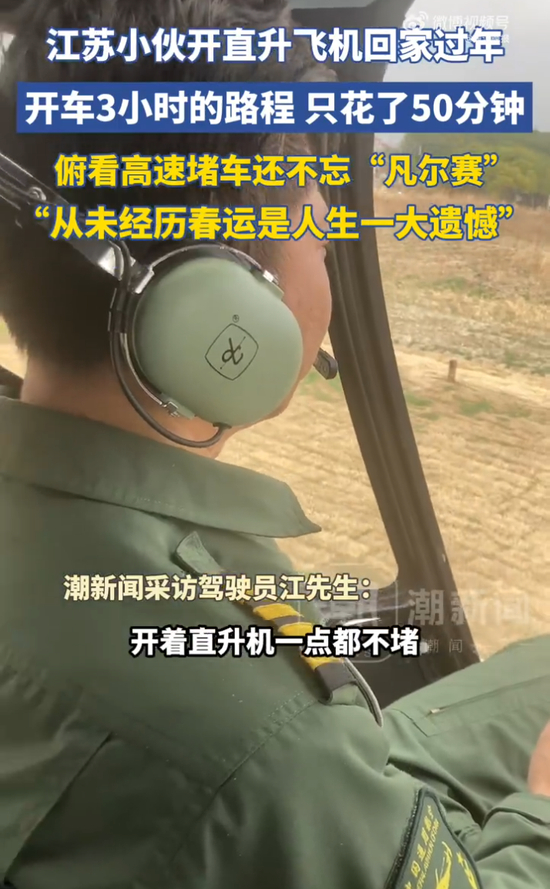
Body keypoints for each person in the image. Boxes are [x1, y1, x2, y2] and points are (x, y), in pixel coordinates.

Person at [0, 2, 550, 888]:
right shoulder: (256, 734)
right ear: (218, 303)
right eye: (313, 216)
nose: (330, 234)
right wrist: (541, 806)